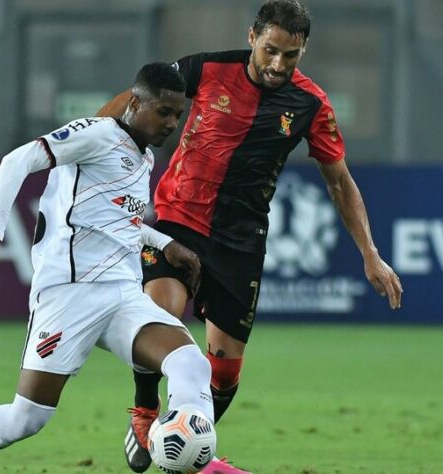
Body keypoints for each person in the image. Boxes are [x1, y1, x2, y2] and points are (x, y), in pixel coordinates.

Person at [98, 1, 403, 473]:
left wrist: (371, 254)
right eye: (271, 50)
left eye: (291, 55)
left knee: (223, 371)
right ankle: (145, 412)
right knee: (160, 314)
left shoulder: (311, 105)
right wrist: (87, 144)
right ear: (252, 36)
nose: (278, 64)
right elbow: (135, 98)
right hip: (177, 218)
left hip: (240, 242)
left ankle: (183, 447)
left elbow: (339, 182)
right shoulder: (206, 68)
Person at [0, 62, 215, 474]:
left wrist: (167, 244)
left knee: (191, 364)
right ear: (134, 103)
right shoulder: (96, 135)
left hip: (122, 295)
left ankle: (193, 455)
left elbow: (117, 224)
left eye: (178, 115)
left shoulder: (143, 157)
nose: (171, 123)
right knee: (26, 420)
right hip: (68, 293)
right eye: (163, 112)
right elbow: (15, 161)